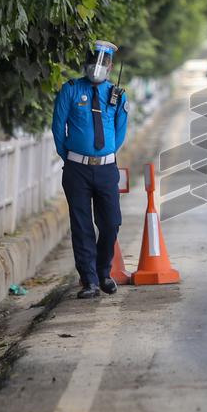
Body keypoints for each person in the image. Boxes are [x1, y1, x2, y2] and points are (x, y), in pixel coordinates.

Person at [51, 40, 128, 299]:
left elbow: (120, 130)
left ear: (111, 66)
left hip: (106, 169)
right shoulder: (70, 90)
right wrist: (72, 156)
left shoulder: (117, 94)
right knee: (81, 225)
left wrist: (105, 154)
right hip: (77, 169)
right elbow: (57, 127)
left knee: (111, 223)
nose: (98, 66)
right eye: (94, 60)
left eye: (104, 62)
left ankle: (103, 271)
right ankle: (90, 281)